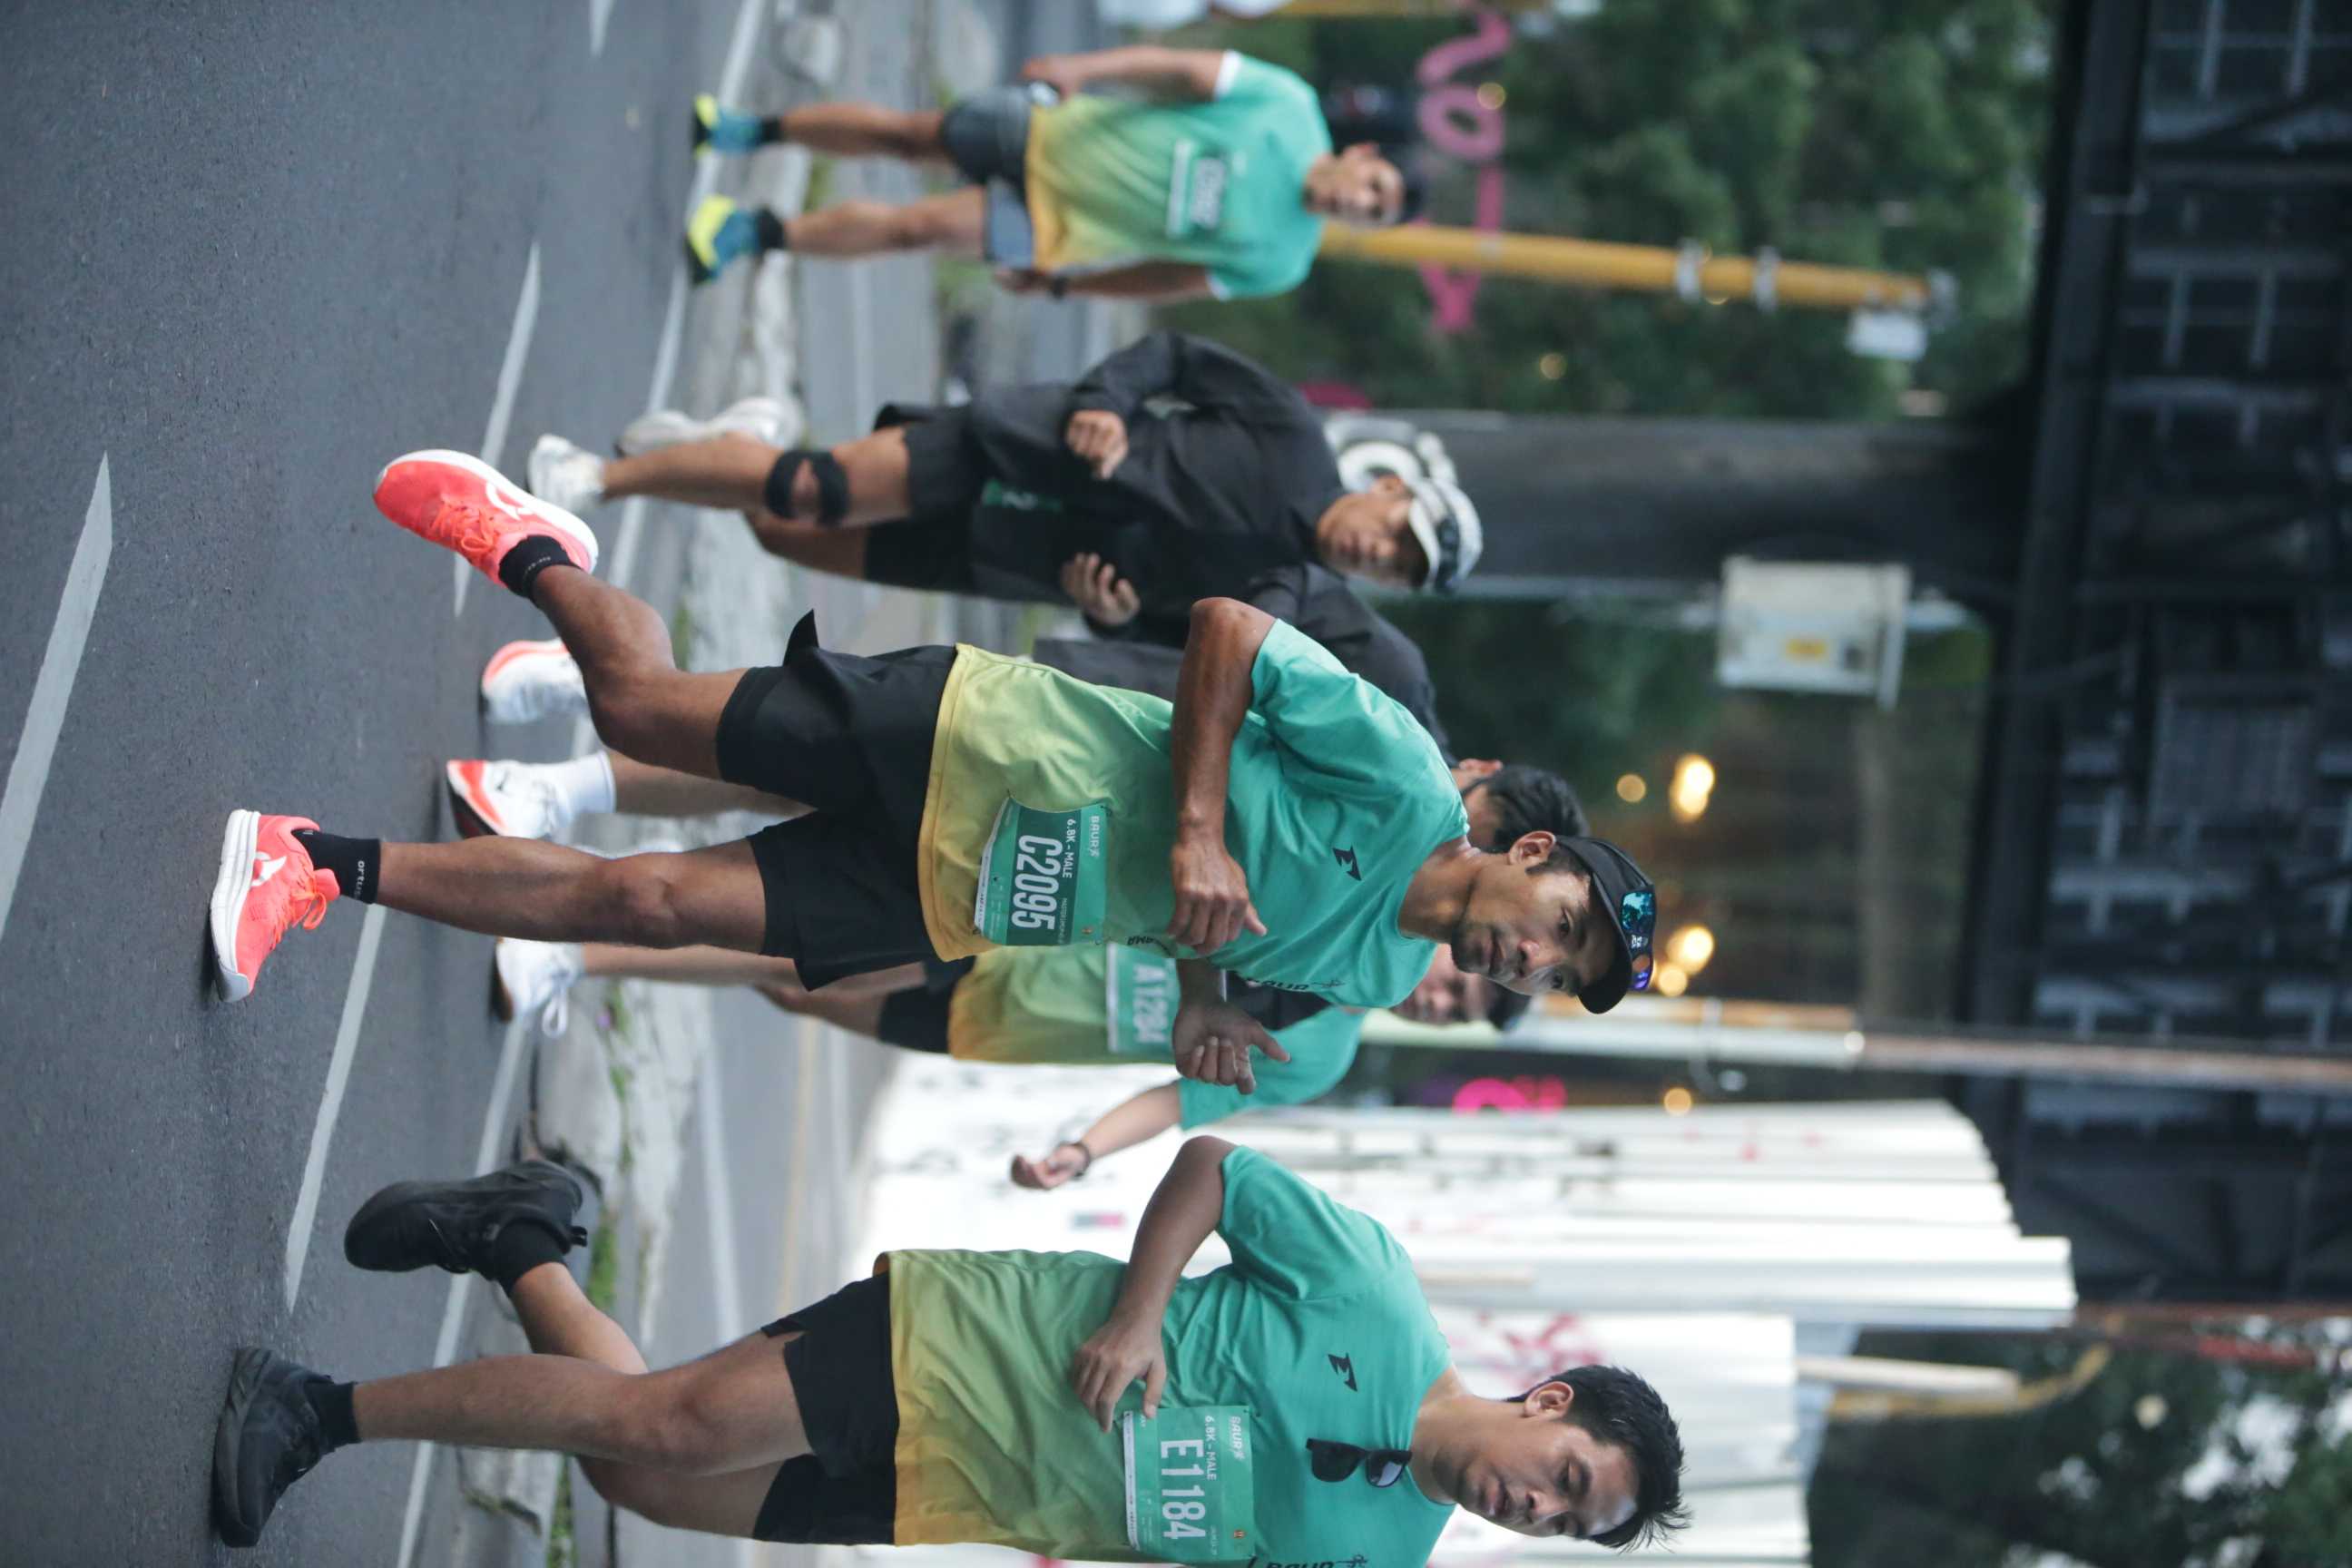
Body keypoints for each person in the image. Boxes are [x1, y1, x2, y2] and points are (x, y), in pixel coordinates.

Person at [210, 452, 1653, 1092]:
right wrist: (1200, 823)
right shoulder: (1403, 777)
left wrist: (1208, 1014)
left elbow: (1205, 936)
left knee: (644, 904)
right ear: (1535, 857)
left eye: (1558, 975)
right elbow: (1226, 629)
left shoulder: (1376, 978)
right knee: (640, 715)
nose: (1535, 962)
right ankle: (536, 549)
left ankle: (311, 865)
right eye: (1562, 928)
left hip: (974, 904)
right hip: (977, 736)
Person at [214, 1141, 1687, 1552]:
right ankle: (314, 1408)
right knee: (665, 1424)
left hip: (963, 1496)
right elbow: (1213, 1170)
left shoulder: (1379, 1558)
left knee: (638, 1475)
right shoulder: (1377, 1296)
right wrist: (1136, 1314)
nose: (1535, 1504)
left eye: (1565, 1523)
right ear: (1548, 1398)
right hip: (977, 1346)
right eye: (1566, 1474)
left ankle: (521, 1235)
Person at [524, 332, 1484, 626]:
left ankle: (732, 443)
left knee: (784, 528)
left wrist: (1109, 612)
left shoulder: (1277, 593)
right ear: (1391, 491)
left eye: (1394, 569)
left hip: (1012, 554)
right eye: (1395, 535)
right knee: (812, 489)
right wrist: (1107, 402)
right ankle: (599, 478)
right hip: (1025, 450)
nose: (1377, 552)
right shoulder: (1295, 436)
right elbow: (1174, 357)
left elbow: (1168, 631)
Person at [681, 46, 1419, 299]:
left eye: (1374, 215)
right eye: (1374, 189)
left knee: (919, 228)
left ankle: (753, 233)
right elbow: (1176, 67)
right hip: (1057, 129)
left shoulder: (1284, 260)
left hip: (1061, 228)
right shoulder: (1288, 105)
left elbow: (1169, 277)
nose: (1361, 204)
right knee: (909, 137)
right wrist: (1082, 69)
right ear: (1363, 157)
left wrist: (1068, 284)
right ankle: (752, 130)